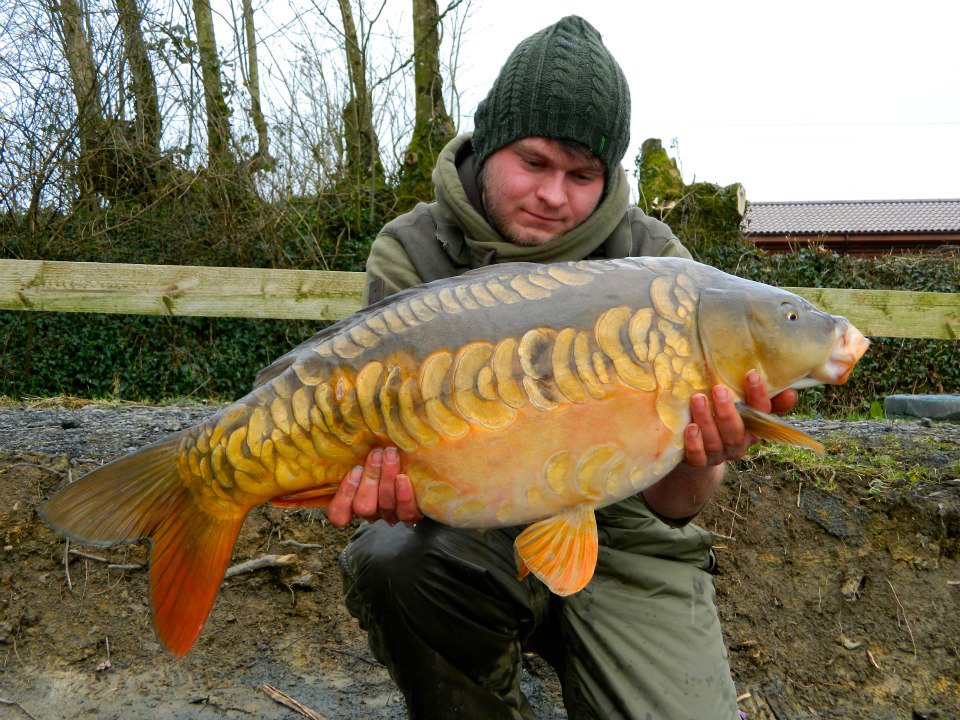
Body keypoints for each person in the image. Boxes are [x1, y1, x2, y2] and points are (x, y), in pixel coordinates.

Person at [329, 15, 796, 720]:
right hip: (472, 523)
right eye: (535, 163)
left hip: (626, 535)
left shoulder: (660, 266)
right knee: (396, 556)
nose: (554, 196)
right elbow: (388, 461)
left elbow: (679, 506)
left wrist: (703, 460)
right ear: (489, 147)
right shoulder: (414, 252)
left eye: (583, 175)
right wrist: (394, 483)